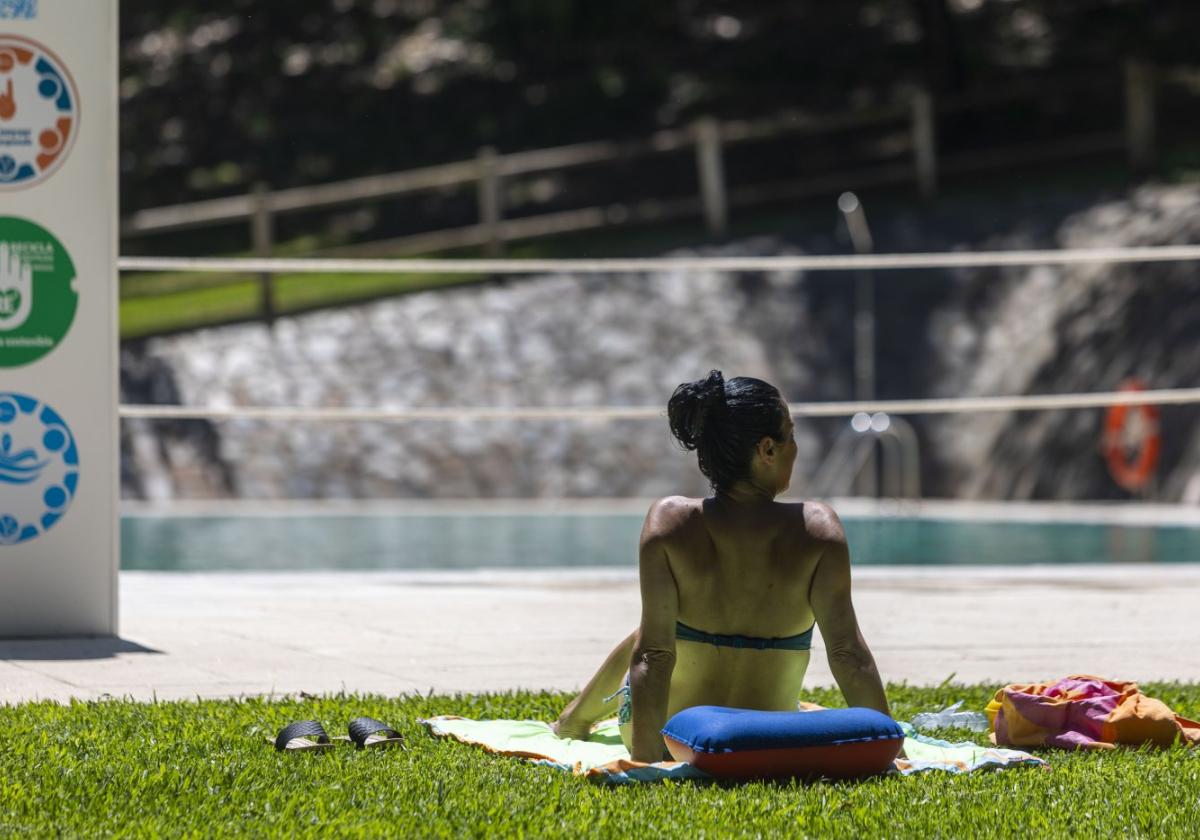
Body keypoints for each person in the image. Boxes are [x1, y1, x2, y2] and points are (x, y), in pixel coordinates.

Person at [553, 370, 890, 763]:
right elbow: (848, 654)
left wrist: (649, 762)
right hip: (763, 738)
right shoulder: (818, 530)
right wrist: (886, 747)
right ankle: (574, 719)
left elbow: (652, 658)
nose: (795, 448)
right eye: (791, 435)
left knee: (652, 633)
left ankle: (573, 721)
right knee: (663, 630)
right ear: (767, 449)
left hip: (672, 738)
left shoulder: (669, 522)